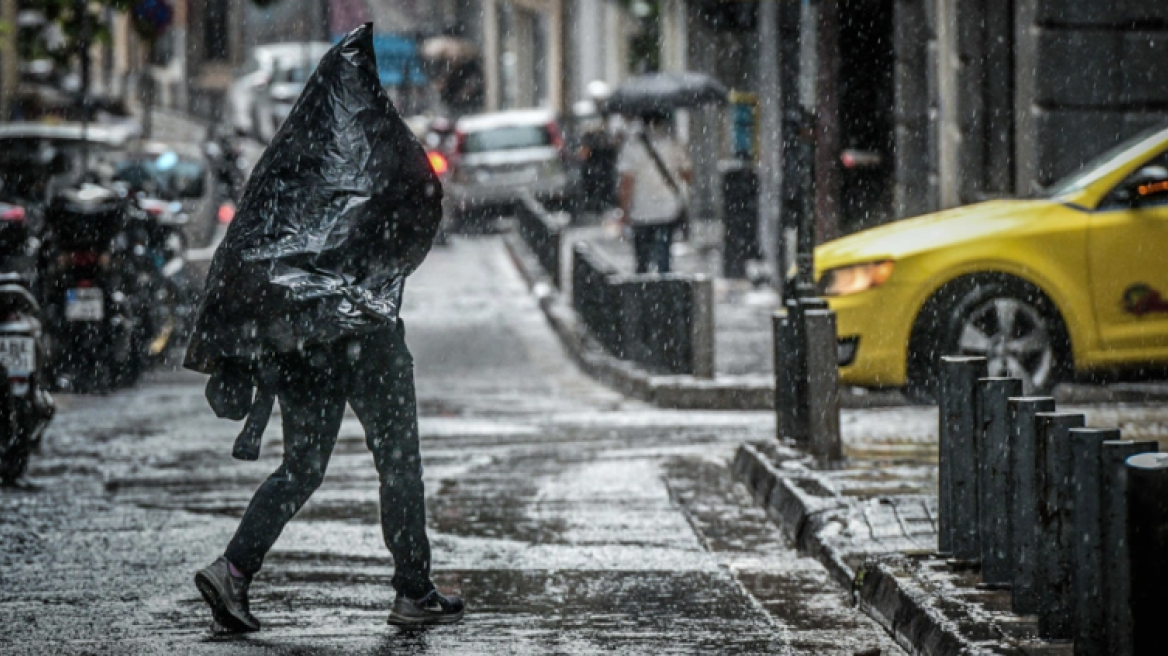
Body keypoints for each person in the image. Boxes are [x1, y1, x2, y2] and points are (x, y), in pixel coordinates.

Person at [186, 24, 463, 632]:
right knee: (398, 460)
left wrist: (250, 342)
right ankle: (413, 592)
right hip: (365, 335)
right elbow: (416, 201)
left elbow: (246, 253)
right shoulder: (374, 146)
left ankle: (233, 569)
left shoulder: (287, 162)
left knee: (302, 467)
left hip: (302, 343)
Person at [617, 110, 692, 274]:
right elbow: (688, 175)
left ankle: (643, 293)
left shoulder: (632, 146)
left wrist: (624, 211)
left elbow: (626, 183)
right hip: (668, 209)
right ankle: (664, 291)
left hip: (642, 211)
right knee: (664, 257)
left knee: (642, 261)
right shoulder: (673, 143)